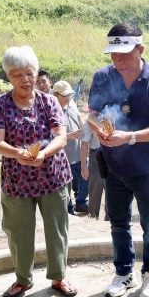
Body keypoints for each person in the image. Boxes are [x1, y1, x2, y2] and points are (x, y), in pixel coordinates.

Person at [87, 23, 149, 297]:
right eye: (113, 54)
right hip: (113, 167)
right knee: (119, 223)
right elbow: (91, 113)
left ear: (140, 49)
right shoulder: (103, 77)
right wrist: (98, 128)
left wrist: (131, 137)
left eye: (124, 54)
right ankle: (123, 272)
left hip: (146, 168)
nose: (118, 60)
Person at [0, 46, 76, 297]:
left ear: (36, 73)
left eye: (29, 73)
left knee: (57, 229)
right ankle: (22, 279)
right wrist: (18, 154)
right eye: (17, 75)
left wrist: (43, 154)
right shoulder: (0, 105)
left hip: (52, 175)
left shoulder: (48, 101)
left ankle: (59, 276)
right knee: (18, 232)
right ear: (8, 76)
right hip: (17, 179)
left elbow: (60, 136)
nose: (25, 80)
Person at [53, 80, 88, 215]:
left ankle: (81, 202)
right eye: (65, 95)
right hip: (63, 156)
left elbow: (79, 118)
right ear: (56, 95)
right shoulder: (51, 111)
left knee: (85, 177)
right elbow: (51, 135)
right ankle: (68, 209)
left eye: (69, 95)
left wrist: (83, 130)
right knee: (65, 184)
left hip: (78, 151)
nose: (68, 98)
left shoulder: (71, 103)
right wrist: (71, 135)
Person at [78, 103, 105, 219]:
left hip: (113, 154)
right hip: (96, 155)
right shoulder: (90, 119)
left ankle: (111, 219)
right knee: (95, 187)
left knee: (113, 188)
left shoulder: (115, 115)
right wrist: (84, 167)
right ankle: (93, 216)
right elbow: (84, 143)